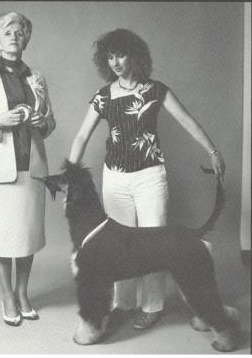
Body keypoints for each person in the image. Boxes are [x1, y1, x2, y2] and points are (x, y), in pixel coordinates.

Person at [69, 28, 225, 330]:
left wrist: (213, 151)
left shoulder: (156, 90)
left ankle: (153, 306)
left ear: (135, 56)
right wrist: (71, 177)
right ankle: (124, 305)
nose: (115, 62)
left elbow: (187, 121)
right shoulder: (103, 96)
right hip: (115, 180)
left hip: (150, 177)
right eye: (110, 57)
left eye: (121, 55)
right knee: (118, 247)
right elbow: (81, 136)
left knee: (156, 245)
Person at [0, 12, 56, 326]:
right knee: (2, 235)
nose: (13, 37)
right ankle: (7, 296)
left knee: (26, 234)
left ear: (26, 39)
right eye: (7, 32)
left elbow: (50, 122)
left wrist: (43, 123)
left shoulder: (37, 78)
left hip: (32, 167)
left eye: (19, 32)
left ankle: (22, 293)